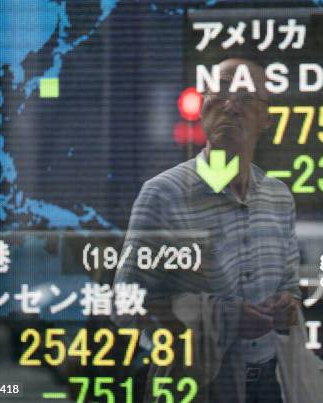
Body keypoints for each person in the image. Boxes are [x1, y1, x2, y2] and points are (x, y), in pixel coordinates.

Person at [113, 58, 302, 403]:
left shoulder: (278, 197)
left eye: (245, 96)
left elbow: (289, 284)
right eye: (220, 93)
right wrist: (225, 319)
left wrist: (287, 304)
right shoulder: (163, 194)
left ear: (266, 119)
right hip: (197, 385)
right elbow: (126, 304)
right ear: (202, 107)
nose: (230, 105)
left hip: (270, 383)